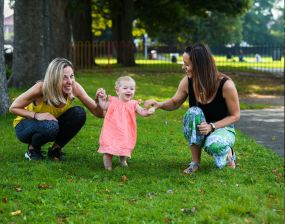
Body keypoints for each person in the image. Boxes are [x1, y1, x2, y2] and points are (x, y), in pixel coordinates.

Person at [144, 43, 240, 174]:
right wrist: (160, 105)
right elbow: (175, 102)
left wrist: (212, 126)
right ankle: (195, 162)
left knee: (216, 149)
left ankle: (229, 152)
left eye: (187, 64)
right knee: (193, 113)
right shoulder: (187, 81)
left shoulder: (225, 85)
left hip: (222, 128)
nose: (184, 67)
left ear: (200, 66)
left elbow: (235, 116)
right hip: (200, 128)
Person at [9, 58, 105, 161]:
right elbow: (13, 107)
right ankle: (33, 149)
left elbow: (99, 113)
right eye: (64, 78)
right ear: (54, 78)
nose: (70, 81)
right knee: (51, 125)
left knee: (79, 113)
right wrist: (37, 115)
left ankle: (55, 150)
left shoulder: (74, 87)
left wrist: (100, 103)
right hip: (25, 126)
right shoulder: (41, 88)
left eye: (71, 76)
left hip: (50, 123)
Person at [97, 76, 155, 170]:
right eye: (125, 88)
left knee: (124, 145)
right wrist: (101, 99)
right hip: (111, 130)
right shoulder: (113, 101)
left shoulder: (133, 104)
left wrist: (148, 112)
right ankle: (108, 166)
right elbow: (103, 106)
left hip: (125, 131)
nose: (129, 90)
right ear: (117, 91)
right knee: (108, 148)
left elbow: (142, 111)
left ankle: (122, 160)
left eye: (132, 89)